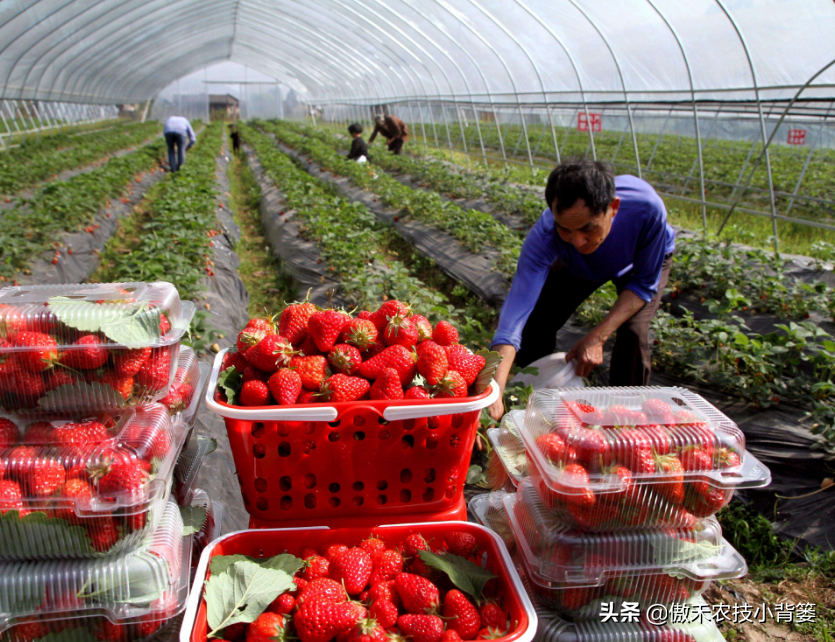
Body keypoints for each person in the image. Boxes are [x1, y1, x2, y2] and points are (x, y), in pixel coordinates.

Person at [488, 160, 676, 421]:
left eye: (587, 227)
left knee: (633, 333)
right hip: (582, 264)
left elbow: (643, 285)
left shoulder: (646, 208)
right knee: (537, 320)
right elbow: (514, 317)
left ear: (613, 208)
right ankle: (536, 396)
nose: (577, 240)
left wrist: (598, 337)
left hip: (638, 261)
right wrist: (494, 388)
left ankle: (628, 419)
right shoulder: (547, 235)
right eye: (564, 229)